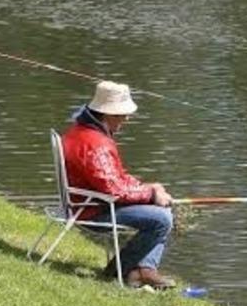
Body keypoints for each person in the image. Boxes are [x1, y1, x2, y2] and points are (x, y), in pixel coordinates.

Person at [61, 81, 176, 290]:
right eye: (122, 114)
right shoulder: (95, 144)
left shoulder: (83, 131)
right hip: (93, 210)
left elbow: (114, 178)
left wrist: (148, 187)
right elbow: (113, 189)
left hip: (87, 203)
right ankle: (120, 271)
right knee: (162, 219)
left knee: (162, 211)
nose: (126, 119)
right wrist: (151, 193)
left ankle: (142, 271)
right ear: (108, 115)